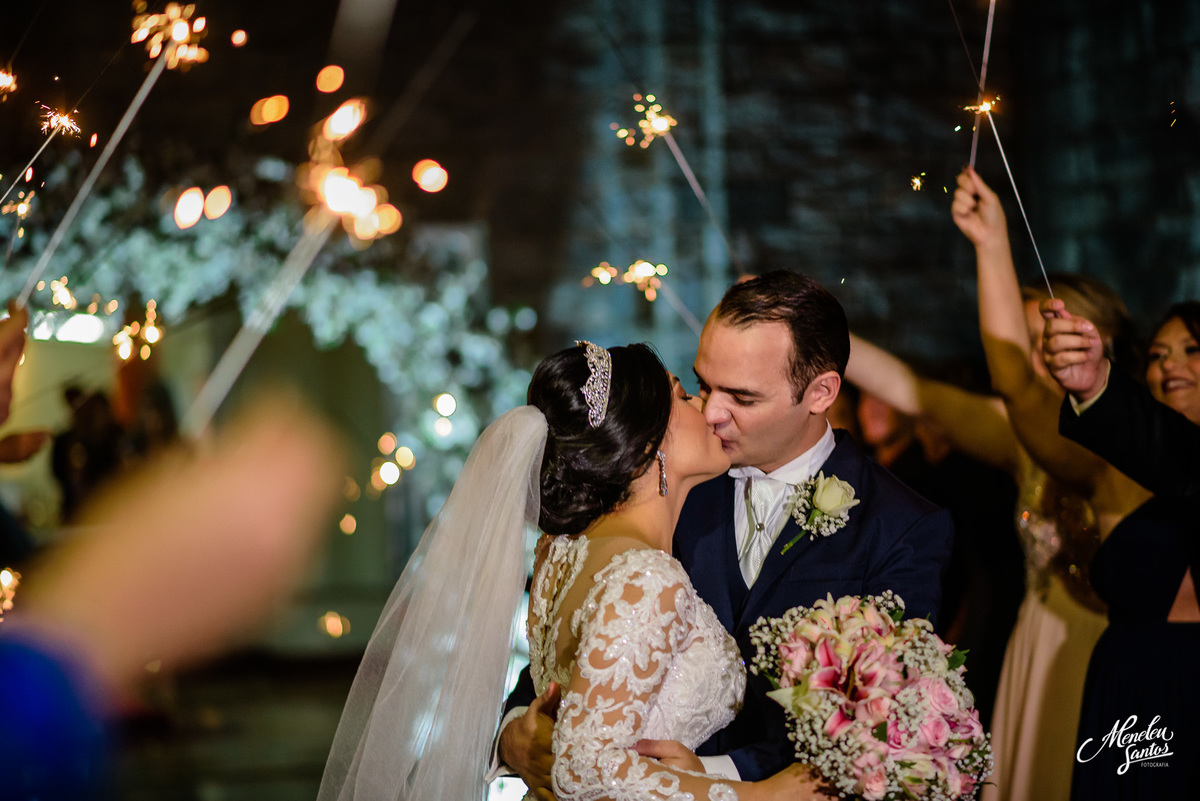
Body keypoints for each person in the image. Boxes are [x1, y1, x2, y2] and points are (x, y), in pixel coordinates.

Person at [498, 272, 954, 789]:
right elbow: (571, 656)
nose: (712, 412)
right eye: (703, 384)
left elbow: (879, 724)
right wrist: (512, 734)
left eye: (741, 397)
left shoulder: (901, 528)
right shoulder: (662, 485)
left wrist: (722, 779)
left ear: (820, 393)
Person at [319, 341, 817, 801]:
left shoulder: (560, 550)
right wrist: (758, 796)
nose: (706, 411)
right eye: (685, 397)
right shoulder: (646, 577)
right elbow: (585, 766)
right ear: (646, 446)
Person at [1042, 299, 1200, 799]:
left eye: (1191, 350)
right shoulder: (1152, 458)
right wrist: (1093, 384)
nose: (1172, 365)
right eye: (1159, 354)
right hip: (1131, 686)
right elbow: (1166, 446)